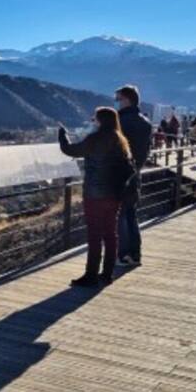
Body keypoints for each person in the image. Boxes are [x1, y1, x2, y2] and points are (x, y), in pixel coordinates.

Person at [59, 107, 136, 288]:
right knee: (110, 234)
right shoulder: (121, 140)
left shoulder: (94, 139)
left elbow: (69, 150)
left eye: (95, 119)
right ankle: (107, 274)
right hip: (114, 194)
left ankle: (90, 275)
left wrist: (62, 134)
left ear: (100, 121)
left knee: (94, 235)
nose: (93, 121)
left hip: (94, 194)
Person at [114, 84, 152, 266]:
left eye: (118, 99)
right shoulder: (146, 123)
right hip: (136, 174)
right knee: (131, 215)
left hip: (119, 175)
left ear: (127, 99)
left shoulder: (119, 123)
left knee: (121, 215)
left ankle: (123, 255)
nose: (117, 103)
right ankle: (135, 254)